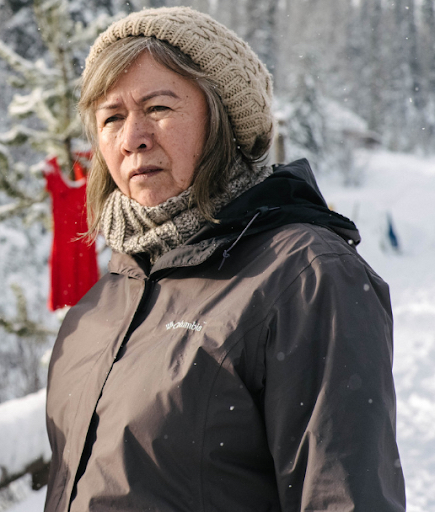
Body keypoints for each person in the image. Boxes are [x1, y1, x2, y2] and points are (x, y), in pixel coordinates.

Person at [44, 6, 406, 512]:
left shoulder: (303, 275)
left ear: (224, 119)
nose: (132, 139)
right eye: (111, 117)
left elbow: (342, 498)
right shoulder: (104, 303)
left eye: (159, 107)